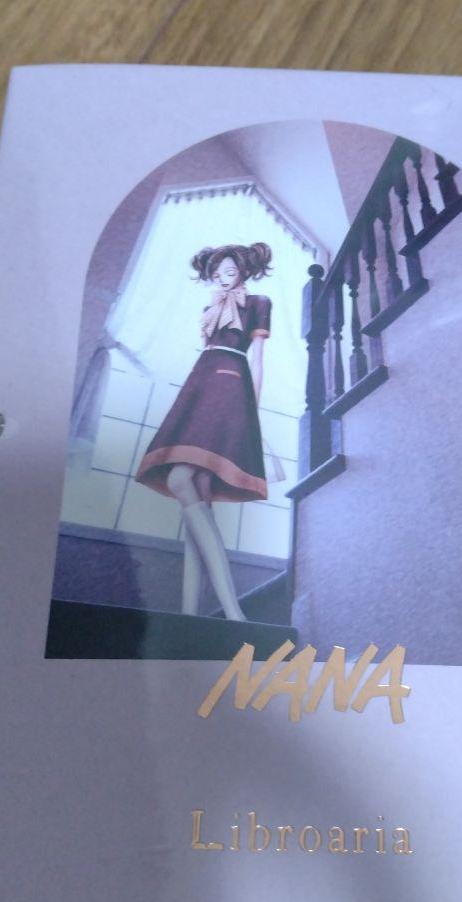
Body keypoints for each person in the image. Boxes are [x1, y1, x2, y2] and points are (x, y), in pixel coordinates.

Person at [135, 242, 276, 622]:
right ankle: (192, 613)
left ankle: (232, 612)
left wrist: (252, 412)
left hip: (231, 387)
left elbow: (258, 359)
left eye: (229, 272)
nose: (223, 279)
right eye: (217, 274)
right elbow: (207, 349)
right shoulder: (210, 308)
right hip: (200, 385)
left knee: (181, 479)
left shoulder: (258, 303)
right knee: (195, 493)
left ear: (243, 271)